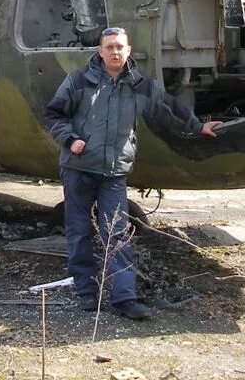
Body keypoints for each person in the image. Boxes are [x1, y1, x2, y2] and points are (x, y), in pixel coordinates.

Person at [44, 26, 221, 320]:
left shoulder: (139, 85)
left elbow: (167, 107)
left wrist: (197, 126)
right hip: (78, 169)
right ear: (100, 51)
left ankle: (124, 298)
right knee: (78, 231)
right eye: (110, 46)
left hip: (114, 172)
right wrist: (70, 139)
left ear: (128, 51)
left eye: (120, 47)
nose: (115, 52)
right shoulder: (79, 80)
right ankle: (86, 292)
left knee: (117, 234)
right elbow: (54, 114)